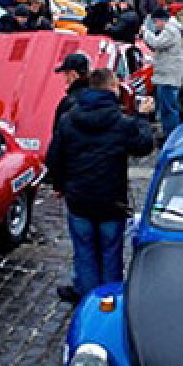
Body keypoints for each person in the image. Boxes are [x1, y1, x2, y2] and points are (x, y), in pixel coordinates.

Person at [46, 67, 155, 303]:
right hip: (110, 201)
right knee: (111, 253)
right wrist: (143, 117)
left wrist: (60, 185)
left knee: (84, 252)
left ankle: (88, 301)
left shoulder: (69, 119)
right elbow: (144, 145)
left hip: (79, 199)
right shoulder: (121, 122)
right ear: (113, 88)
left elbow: (54, 158)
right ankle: (108, 302)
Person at [140, 8, 183, 138]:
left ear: (161, 20)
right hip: (167, 76)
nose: (155, 25)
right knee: (167, 108)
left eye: (155, 22)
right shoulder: (171, 30)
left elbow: (156, 43)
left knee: (168, 109)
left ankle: (171, 136)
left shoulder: (170, 30)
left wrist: (145, 32)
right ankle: (168, 133)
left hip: (168, 77)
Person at [52, 52, 92, 130]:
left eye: (66, 74)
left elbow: (59, 132)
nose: (66, 79)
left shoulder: (69, 102)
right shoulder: (99, 97)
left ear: (73, 74)